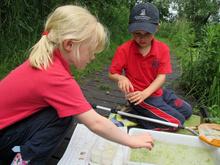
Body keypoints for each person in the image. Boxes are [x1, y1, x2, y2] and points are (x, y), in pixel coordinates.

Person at [0, 5, 154, 165]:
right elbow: (96, 123)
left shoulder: (47, 60)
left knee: (62, 111)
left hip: (7, 128)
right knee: (63, 116)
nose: (93, 57)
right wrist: (131, 141)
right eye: (91, 50)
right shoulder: (55, 76)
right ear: (69, 45)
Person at [109, 2, 192, 130]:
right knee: (177, 122)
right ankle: (134, 114)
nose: (142, 38)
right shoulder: (124, 50)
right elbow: (112, 73)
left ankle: (138, 113)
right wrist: (121, 78)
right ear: (131, 28)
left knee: (187, 111)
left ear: (157, 28)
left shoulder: (163, 49)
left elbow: (161, 77)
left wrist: (147, 92)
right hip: (138, 97)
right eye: (137, 33)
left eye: (147, 33)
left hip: (156, 92)